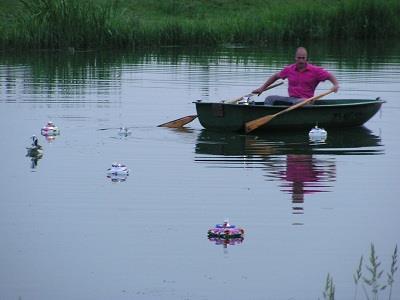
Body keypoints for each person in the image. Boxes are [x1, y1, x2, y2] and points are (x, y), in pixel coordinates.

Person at [252, 47, 339, 105]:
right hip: (291, 100)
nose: (301, 60)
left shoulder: (315, 70)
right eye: (299, 58)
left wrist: (335, 85)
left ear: (306, 58)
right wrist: (262, 88)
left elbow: (329, 76)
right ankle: (266, 114)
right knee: (269, 99)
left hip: (306, 101)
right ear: (295, 58)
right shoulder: (289, 69)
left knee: (300, 102)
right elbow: (275, 76)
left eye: (303, 58)